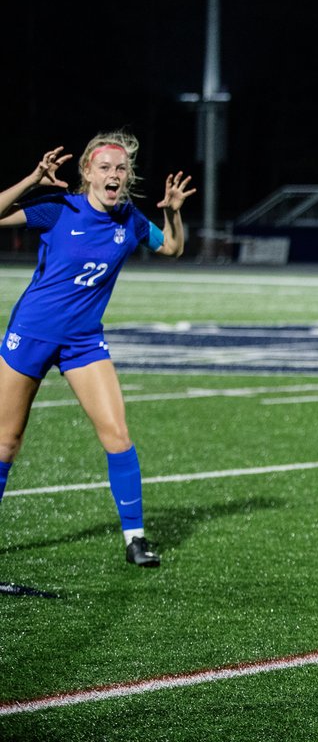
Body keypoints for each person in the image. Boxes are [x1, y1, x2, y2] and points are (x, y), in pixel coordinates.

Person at [0, 135, 190, 567]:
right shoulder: (58, 208)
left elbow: (174, 248)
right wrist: (32, 179)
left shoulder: (131, 220)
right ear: (87, 171)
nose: (113, 175)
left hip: (84, 342)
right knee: (5, 443)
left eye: (120, 169)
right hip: (30, 334)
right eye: (104, 168)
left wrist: (174, 214)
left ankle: (136, 539)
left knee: (117, 435)